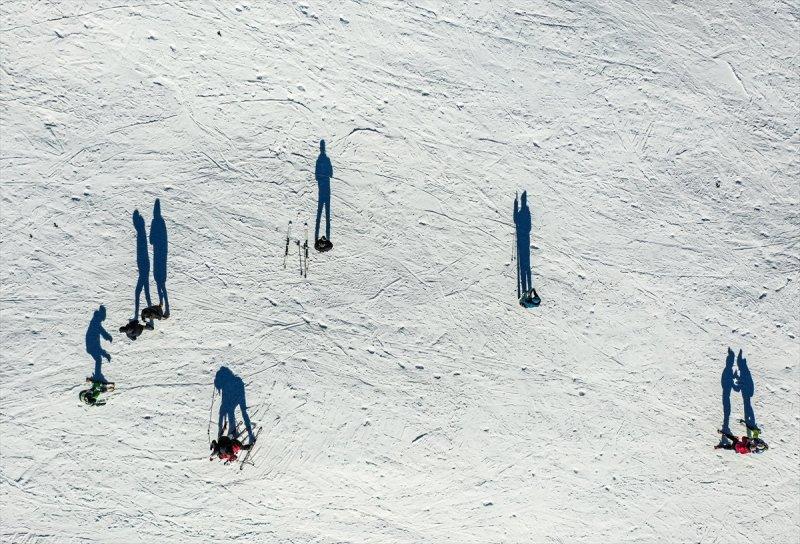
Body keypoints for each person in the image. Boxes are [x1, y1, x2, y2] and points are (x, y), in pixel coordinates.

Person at [314, 139, 333, 246]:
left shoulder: (320, 160)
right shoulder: (325, 159)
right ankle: (327, 238)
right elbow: (330, 172)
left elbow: (317, 173)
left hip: (322, 188)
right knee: (325, 212)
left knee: (321, 212)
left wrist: (319, 177)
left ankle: (321, 238)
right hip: (325, 188)